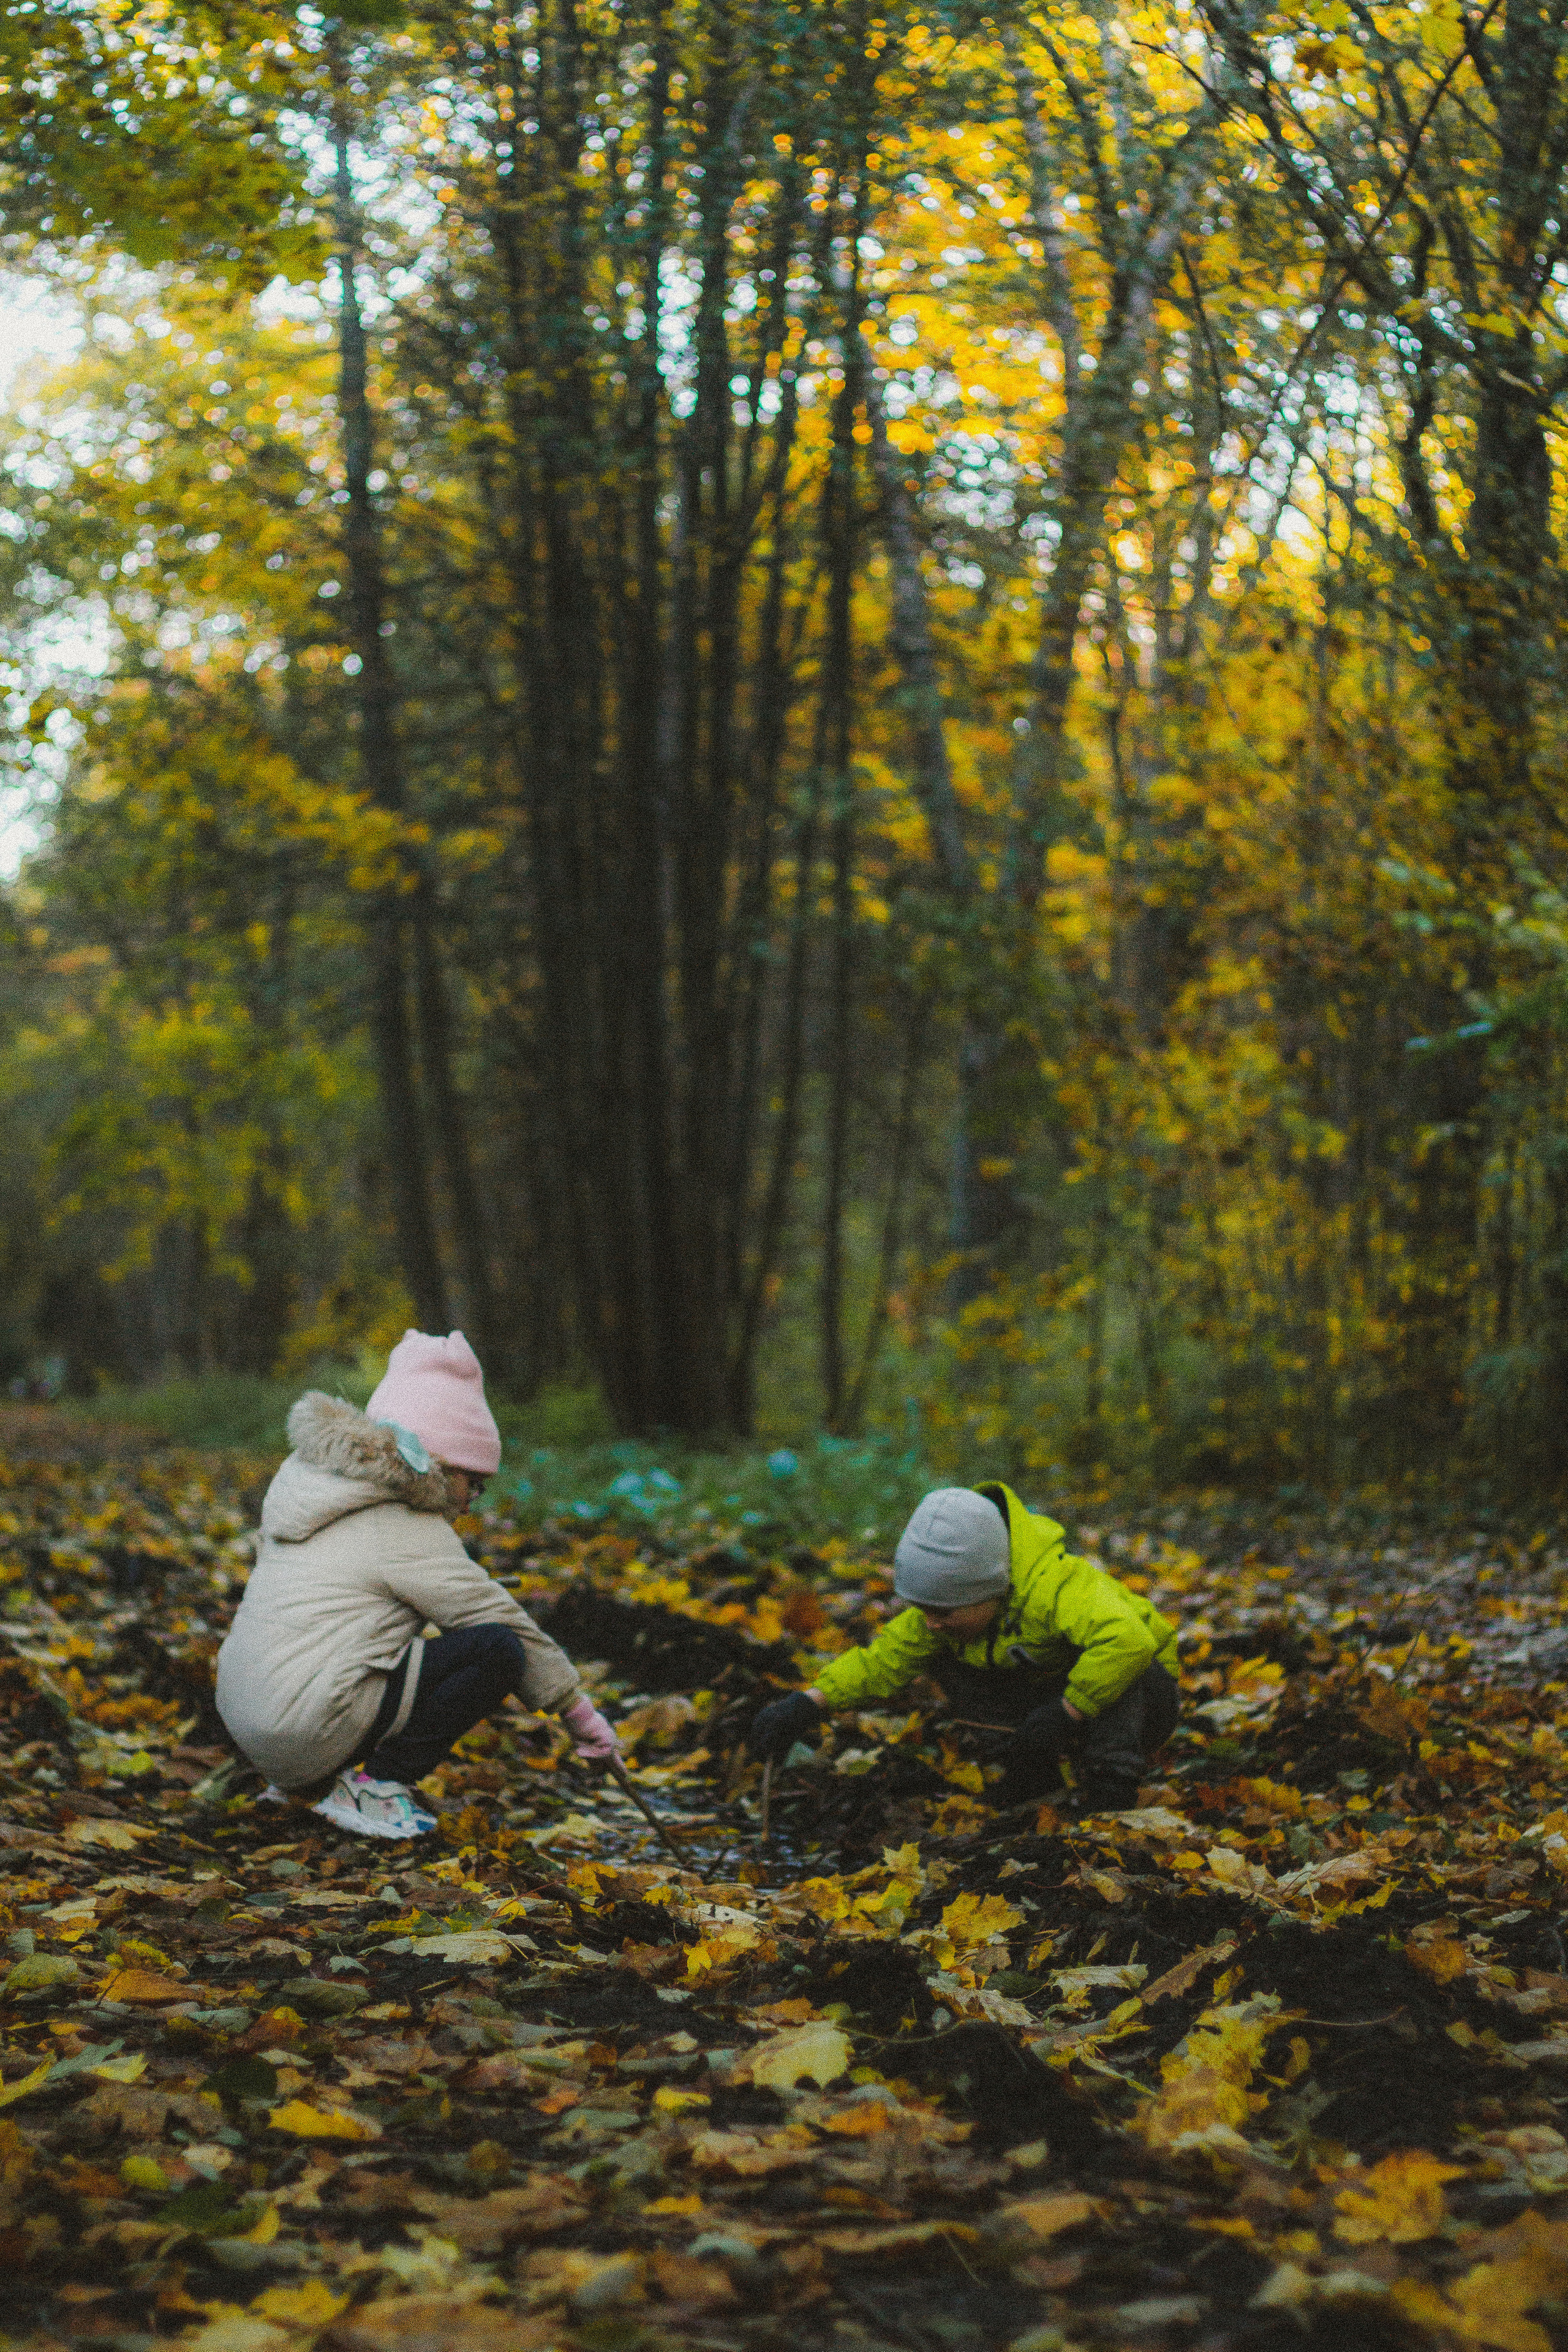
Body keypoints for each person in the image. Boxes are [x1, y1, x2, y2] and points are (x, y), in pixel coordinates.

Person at [216, 1330, 619, 1839]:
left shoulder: (312, 1493)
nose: (473, 1499)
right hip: (305, 1730)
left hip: (251, 1720)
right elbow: (499, 1618)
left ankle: (302, 1785)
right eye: (474, 1481)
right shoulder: (404, 1523)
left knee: (374, 1651)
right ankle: (377, 1786)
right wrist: (580, 1716)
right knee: (496, 1649)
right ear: (439, 1464)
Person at [747, 1484, 1178, 1814]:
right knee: (946, 1657)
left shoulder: (1057, 1587)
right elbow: (884, 1661)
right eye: (922, 1609)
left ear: (988, 1588)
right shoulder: (943, 1615)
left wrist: (1068, 1712)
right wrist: (809, 1702)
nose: (931, 1622)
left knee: (1127, 1663)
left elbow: (1128, 1640)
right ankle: (1033, 1776)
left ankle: (1111, 1789)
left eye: (944, 1611)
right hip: (1053, 1698)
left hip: (1143, 1702)